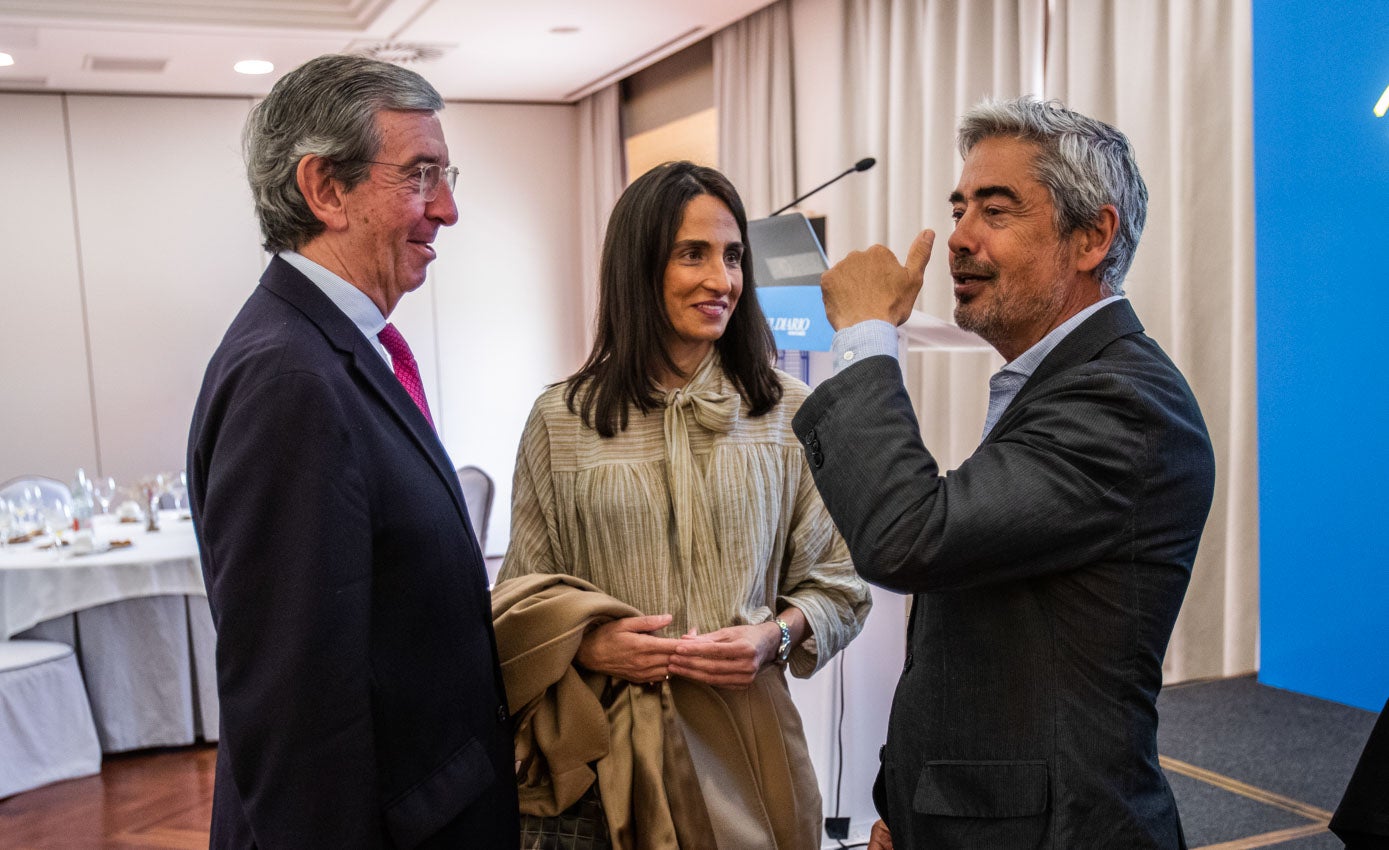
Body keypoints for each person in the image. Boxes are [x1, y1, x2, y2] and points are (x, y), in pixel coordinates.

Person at [791, 97, 1216, 849]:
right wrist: (912, 807)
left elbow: (908, 537)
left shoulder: (1122, 401)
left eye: (994, 211)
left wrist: (865, 336)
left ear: (1091, 237)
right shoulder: (1060, 385)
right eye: (958, 209)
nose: (958, 238)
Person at [188, 54, 518, 848]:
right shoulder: (288, 377)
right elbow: (293, 706)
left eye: (448, 175)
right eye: (421, 176)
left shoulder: (335, 347)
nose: (448, 210)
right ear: (325, 189)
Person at [492, 161, 872, 849]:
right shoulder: (561, 419)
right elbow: (521, 599)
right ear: (638, 268)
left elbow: (841, 587)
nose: (720, 280)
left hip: (748, 747)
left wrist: (773, 638)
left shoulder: (789, 412)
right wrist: (592, 643)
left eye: (731, 257)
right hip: (607, 757)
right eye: (690, 254)